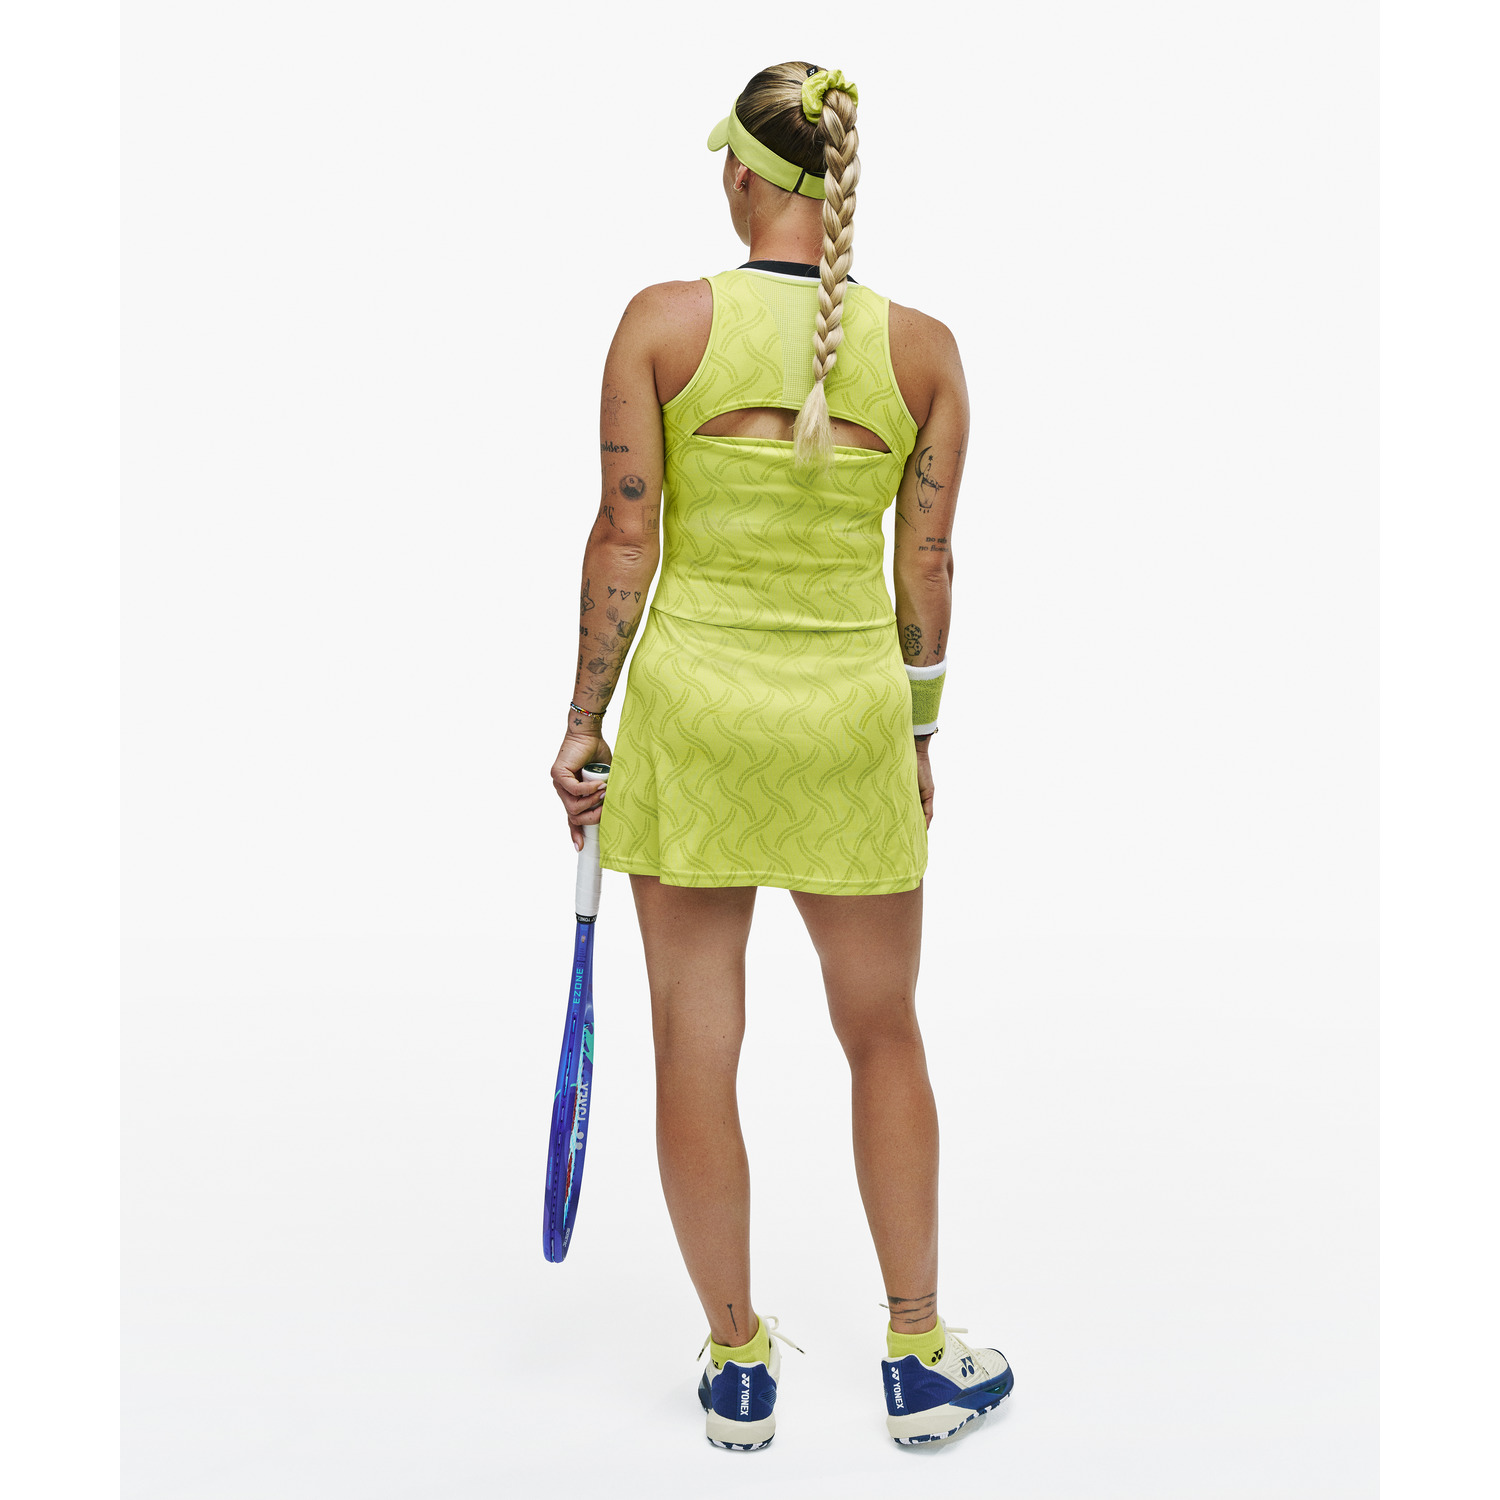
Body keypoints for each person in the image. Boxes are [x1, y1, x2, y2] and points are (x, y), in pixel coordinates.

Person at [549, 62, 1013, 1450]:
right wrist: (916, 736)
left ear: (746, 175)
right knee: (884, 1031)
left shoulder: (660, 326)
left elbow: (624, 534)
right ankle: (919, 1357)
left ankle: (740, 1367)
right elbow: (927, 568)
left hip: (694, 721)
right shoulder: (924, 353)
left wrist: (584, 723)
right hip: (848, 726)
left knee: (697, 1049)